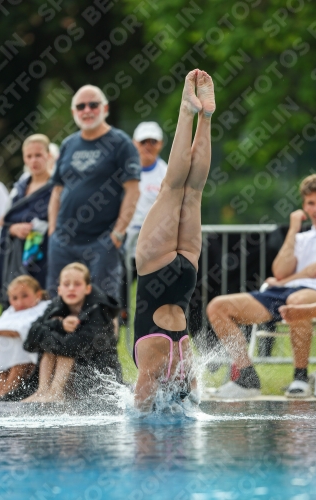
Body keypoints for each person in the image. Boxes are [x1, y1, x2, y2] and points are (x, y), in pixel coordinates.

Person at [133, 69, 216, 412]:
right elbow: (138, 412)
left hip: (186, 277)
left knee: (193, 191)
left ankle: (206, 119)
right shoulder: (151, 362)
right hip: (156, 270)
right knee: (174, 188)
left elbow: (194, 404)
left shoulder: (184, 367)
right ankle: (187, 111)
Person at [207, 173, 316, 399]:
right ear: (304, 206)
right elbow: (280, 269)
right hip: (284, 291)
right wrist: (293, 229)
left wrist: (283, 282)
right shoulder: (301, 237)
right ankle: (247, 378)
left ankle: (300, 377)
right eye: (311, 203)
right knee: (218, 307)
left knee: (297, 300)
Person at [47, 84, 141, 302]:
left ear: (105, 108)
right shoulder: (68, 144)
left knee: (102, 307)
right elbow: (56, 191)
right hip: (63, 241)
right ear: (73, 112)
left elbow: (133, 191)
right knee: (58, 306)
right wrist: (53, 232)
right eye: (80, 106)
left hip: (102, 241)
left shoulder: (121, 144)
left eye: (93, 104)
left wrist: (117, 234)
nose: (87, 110)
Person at [23, 262, 122, 402]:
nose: (71, 288)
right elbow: (29, 339)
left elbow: (73, 347)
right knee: (52, 345)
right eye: (66, 284)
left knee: (62, 347)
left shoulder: (99, 310)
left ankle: (55, 393)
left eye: (77, 284)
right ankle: (43, 391)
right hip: (70, 376)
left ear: (87, 289)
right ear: (59, 289)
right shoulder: (57, 305)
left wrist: (53, 332)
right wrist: (59, 324)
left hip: (97, 379)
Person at [0, 134, 53, 301]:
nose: (34, 160)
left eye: (38, 155)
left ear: (48, 156)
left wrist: (39, 228)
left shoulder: (56, 188)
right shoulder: (18, 190)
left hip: (46, 256)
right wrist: (12, 229)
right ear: (24, 159)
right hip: (17, 256)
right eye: (29, 156)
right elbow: (5, 221)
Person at [0, 275, 50, 400]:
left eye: (25, 296)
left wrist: (0, 332)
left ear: (38, 294)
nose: (19, 302)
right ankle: (1, 386)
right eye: (14, 298)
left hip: (33, 351)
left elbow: (23, 330)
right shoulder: (10, 311)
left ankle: (12, 384)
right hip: (4, 353)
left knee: (16, 342)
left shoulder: (44, 306)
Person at [125, 122, 167, 260]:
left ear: (160, 144)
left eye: (153, 142)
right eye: (143, 142)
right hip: (124, 243)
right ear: (134, 143)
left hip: (155, 246)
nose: (148, 146)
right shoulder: (122, 170)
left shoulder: (167, 173)